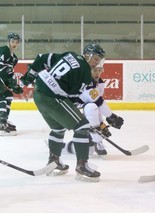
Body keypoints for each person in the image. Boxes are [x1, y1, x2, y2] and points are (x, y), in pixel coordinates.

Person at [20, 43, 116, 182]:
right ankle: (82, 166)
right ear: (88, 55)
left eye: (99, 60)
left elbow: (41, 58)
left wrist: (28, 78)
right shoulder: (84, 72)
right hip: (53, 97)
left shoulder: (70, 54)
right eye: (96, 59)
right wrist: (95, 126)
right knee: (82, 126)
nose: (97, 63)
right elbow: (72, 99)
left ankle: (54, 162)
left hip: (39, 94)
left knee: (58, 128)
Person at [66, 66, 124, 156]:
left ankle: (64, 147)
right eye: (94, 70)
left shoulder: (100, 82)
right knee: (91, 107)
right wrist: (112, 116)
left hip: (85, 112)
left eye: (99, 70)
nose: (97, 73)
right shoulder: (84, 81)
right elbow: (96, 102)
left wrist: (101, 124)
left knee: (88, 150)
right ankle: (97, 141)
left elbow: (98, 105)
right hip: (72, 112)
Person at [0, 32, 23, 136]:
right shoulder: (3, 50)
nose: (14, 44)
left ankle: (4, 121)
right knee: (2, 97)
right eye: (12, 41)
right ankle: (1, 124)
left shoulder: (14, 59)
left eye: (16, 42)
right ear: (8, 42)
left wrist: (14, 85)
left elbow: (8, 74)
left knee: (9, 95)